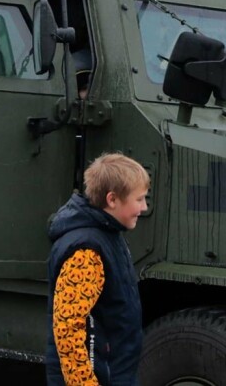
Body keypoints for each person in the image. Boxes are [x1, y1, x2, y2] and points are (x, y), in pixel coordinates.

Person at [45, 153, 150, 386]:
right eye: (139, 199)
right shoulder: (86, 252)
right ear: (112, 200)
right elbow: (68, 330)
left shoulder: (108, 235)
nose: (144, 207)